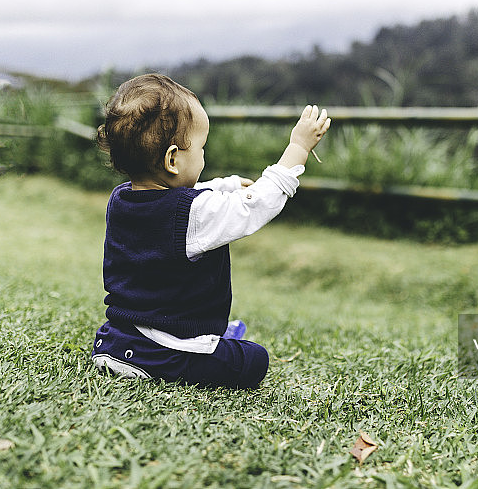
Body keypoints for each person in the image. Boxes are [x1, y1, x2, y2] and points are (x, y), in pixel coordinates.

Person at [91, 73, 330, 389]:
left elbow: (183, 199)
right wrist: (297, 148)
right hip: (167, 347)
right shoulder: (189, 216)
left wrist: (227, 185)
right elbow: (253, 207)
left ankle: (126, 354)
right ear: (173, 159)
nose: (204, 155)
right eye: (201, 147)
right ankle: (156, 358)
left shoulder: (122, 198)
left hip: (120, 333)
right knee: (253, 360)